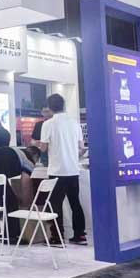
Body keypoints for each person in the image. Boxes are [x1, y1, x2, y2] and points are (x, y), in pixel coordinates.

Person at [39, 93, 87, 246]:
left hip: (56, 171)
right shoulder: (75, 124)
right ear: (63, 105)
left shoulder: (48, 124)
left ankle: (57, 237)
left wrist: (39, 144)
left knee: (55, 204)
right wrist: (71, 154)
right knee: (75, 202)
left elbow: (43, 148)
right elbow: (81, 148)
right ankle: (80, 235)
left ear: (50, 107)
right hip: (73, 170)